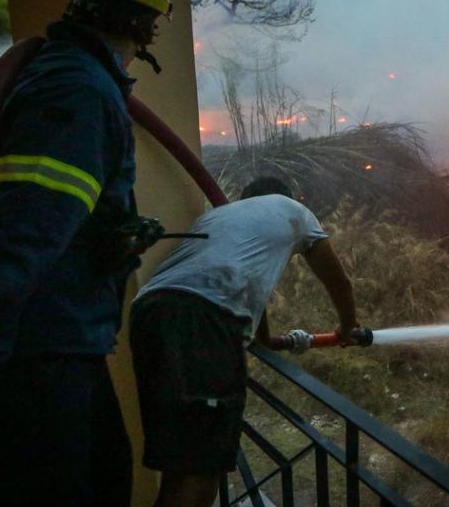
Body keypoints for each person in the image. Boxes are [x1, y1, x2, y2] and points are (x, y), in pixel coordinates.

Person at [0, 0, 172, 507]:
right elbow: (11, 240)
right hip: (35, 360)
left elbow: (47, 215)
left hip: (60, 346)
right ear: (148, 24)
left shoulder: (66, 76)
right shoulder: (77, 93)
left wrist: (107, 239)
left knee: (108, 475)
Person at [130, 176, 359, 507]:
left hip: (149, 314)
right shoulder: (294, 210)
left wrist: (271, 339)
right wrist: (347, 328)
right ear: (284, 197)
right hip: (203, 319)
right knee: (201, 470)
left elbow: (251, 297)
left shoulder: (221, 217)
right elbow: (339, 281)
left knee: (180, 464)